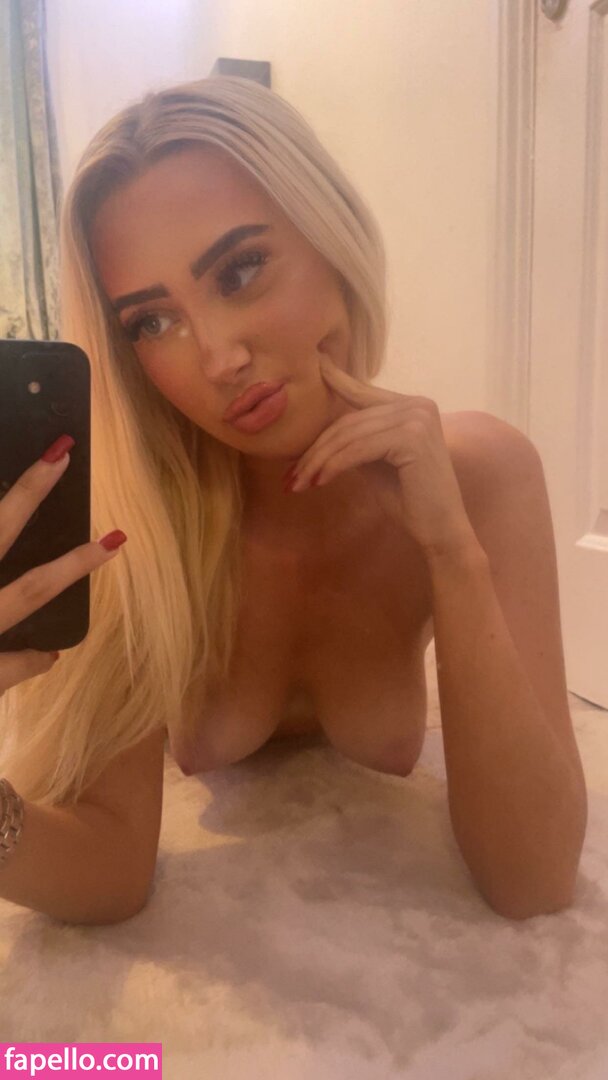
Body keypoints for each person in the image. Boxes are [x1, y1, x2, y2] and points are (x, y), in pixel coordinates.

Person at [0, 76, 587, 925]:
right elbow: (111, 872)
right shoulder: (139, 524)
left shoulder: (482, 472)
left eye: (240, 270)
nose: (218, 358)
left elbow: (534, 879)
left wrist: (452, 553)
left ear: (330, 236)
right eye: (152, 323)